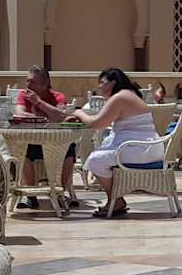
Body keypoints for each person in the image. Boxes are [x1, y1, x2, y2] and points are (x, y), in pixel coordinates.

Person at [66, 68, 164, 216]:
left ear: (113, 83)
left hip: (141, 150)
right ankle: (116, 199)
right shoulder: (128, 94)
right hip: (146, 148)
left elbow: (97, 123)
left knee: (95, 160)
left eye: (103, 82)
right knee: (101, 156)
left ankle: (116, 200)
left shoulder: (120, 97)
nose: (100, 87)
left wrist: (79, 112)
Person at [14, 66, 77, 207]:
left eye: (31, 81)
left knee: (70, 149)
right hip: (33, 141)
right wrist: (44, 118)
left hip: (55, 142)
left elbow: (61, 116)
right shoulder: (24, 95)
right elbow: (19, 113)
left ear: (44, 83)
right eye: (27, 80)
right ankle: (30, 195)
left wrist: (38, 102)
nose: (27, 84)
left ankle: (61, 193)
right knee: (22, 149)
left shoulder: (57, 97)